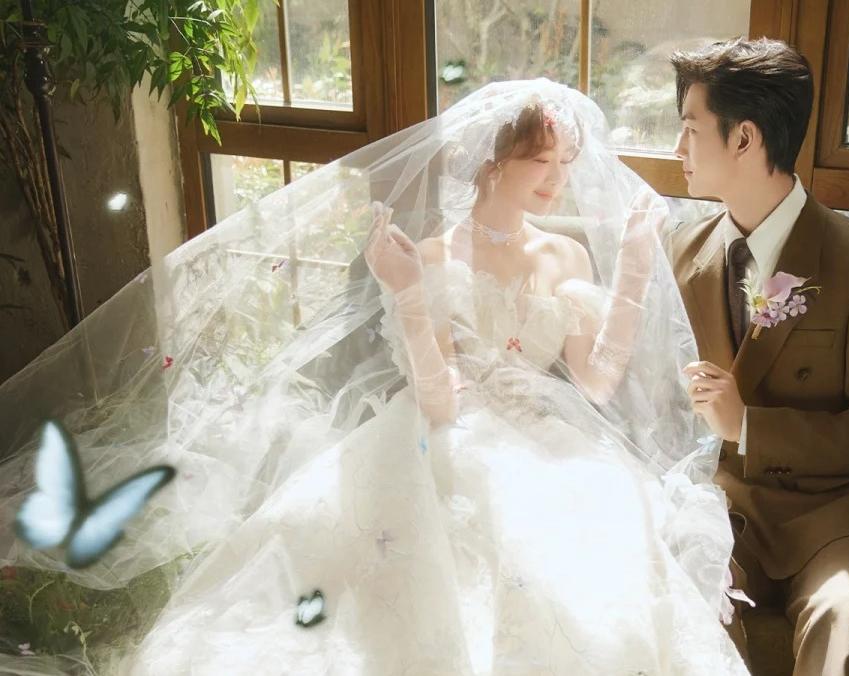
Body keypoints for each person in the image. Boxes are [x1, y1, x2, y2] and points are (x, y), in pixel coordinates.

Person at [0, 79, 748, 675]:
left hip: (551, 437)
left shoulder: (567, 256)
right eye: (540, 162)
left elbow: (597, 383)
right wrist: (409, 297)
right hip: (447, 436)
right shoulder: (433, 256)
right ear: (493, 161)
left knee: (595, 585)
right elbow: (438, 400)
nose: (557, 180)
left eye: (564, 163)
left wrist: (635, 271)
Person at [667, 38, 849, 675]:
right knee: (678, 598)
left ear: (744, 138)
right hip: (727, 514)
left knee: (843, 614)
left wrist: (748, 426)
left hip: (836, 517)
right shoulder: (683, 254)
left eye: (691, 129)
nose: (677, 149)